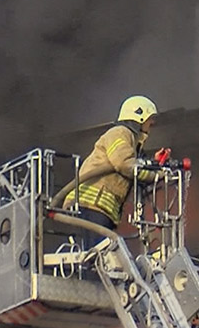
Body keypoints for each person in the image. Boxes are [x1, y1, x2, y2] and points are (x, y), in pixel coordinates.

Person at [63, 95, 160, 247]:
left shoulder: (133, 143)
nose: (152, 123)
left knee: (103, 254)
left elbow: (134, 164)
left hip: (101, 209)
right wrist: (156, 176)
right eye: (150, 118)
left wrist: (154, 163)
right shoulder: (120, 132)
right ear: (139, 116)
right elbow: (124, 164)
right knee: (99, 257)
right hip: (91, 204)